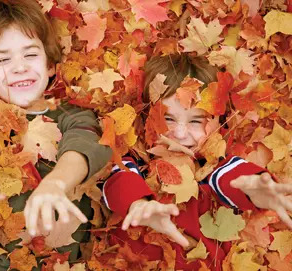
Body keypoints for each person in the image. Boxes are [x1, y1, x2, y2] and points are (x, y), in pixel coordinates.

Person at [0, 1, 112, 269]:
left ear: (50, 65)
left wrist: (57, 182)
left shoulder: (72, 115)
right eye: (3, 59)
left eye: (30, 55)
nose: (19, 67)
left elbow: (85, 143)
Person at [102, 54, 292, 270]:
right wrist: (138, 203)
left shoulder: (214, 172)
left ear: (218, 123)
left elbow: (233, 178)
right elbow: (118, 182)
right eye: (168, 119)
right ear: (147, 118)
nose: (181, 134)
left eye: (195, 121)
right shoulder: (135, 164)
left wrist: (255, 187)